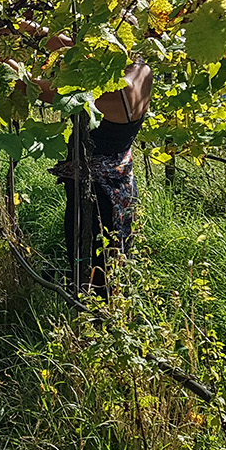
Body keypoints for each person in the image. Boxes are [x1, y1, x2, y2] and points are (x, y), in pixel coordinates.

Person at [15, 25, 153, 291]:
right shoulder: (140, 69)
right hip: (121, 178)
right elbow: (71, 45)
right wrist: (23, 26)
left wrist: (8, 65)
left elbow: (36, 89)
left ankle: (93, 309)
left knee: (91, 248)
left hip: (95, 188)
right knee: (113, 250)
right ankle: (101, 296)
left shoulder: (111, 95)